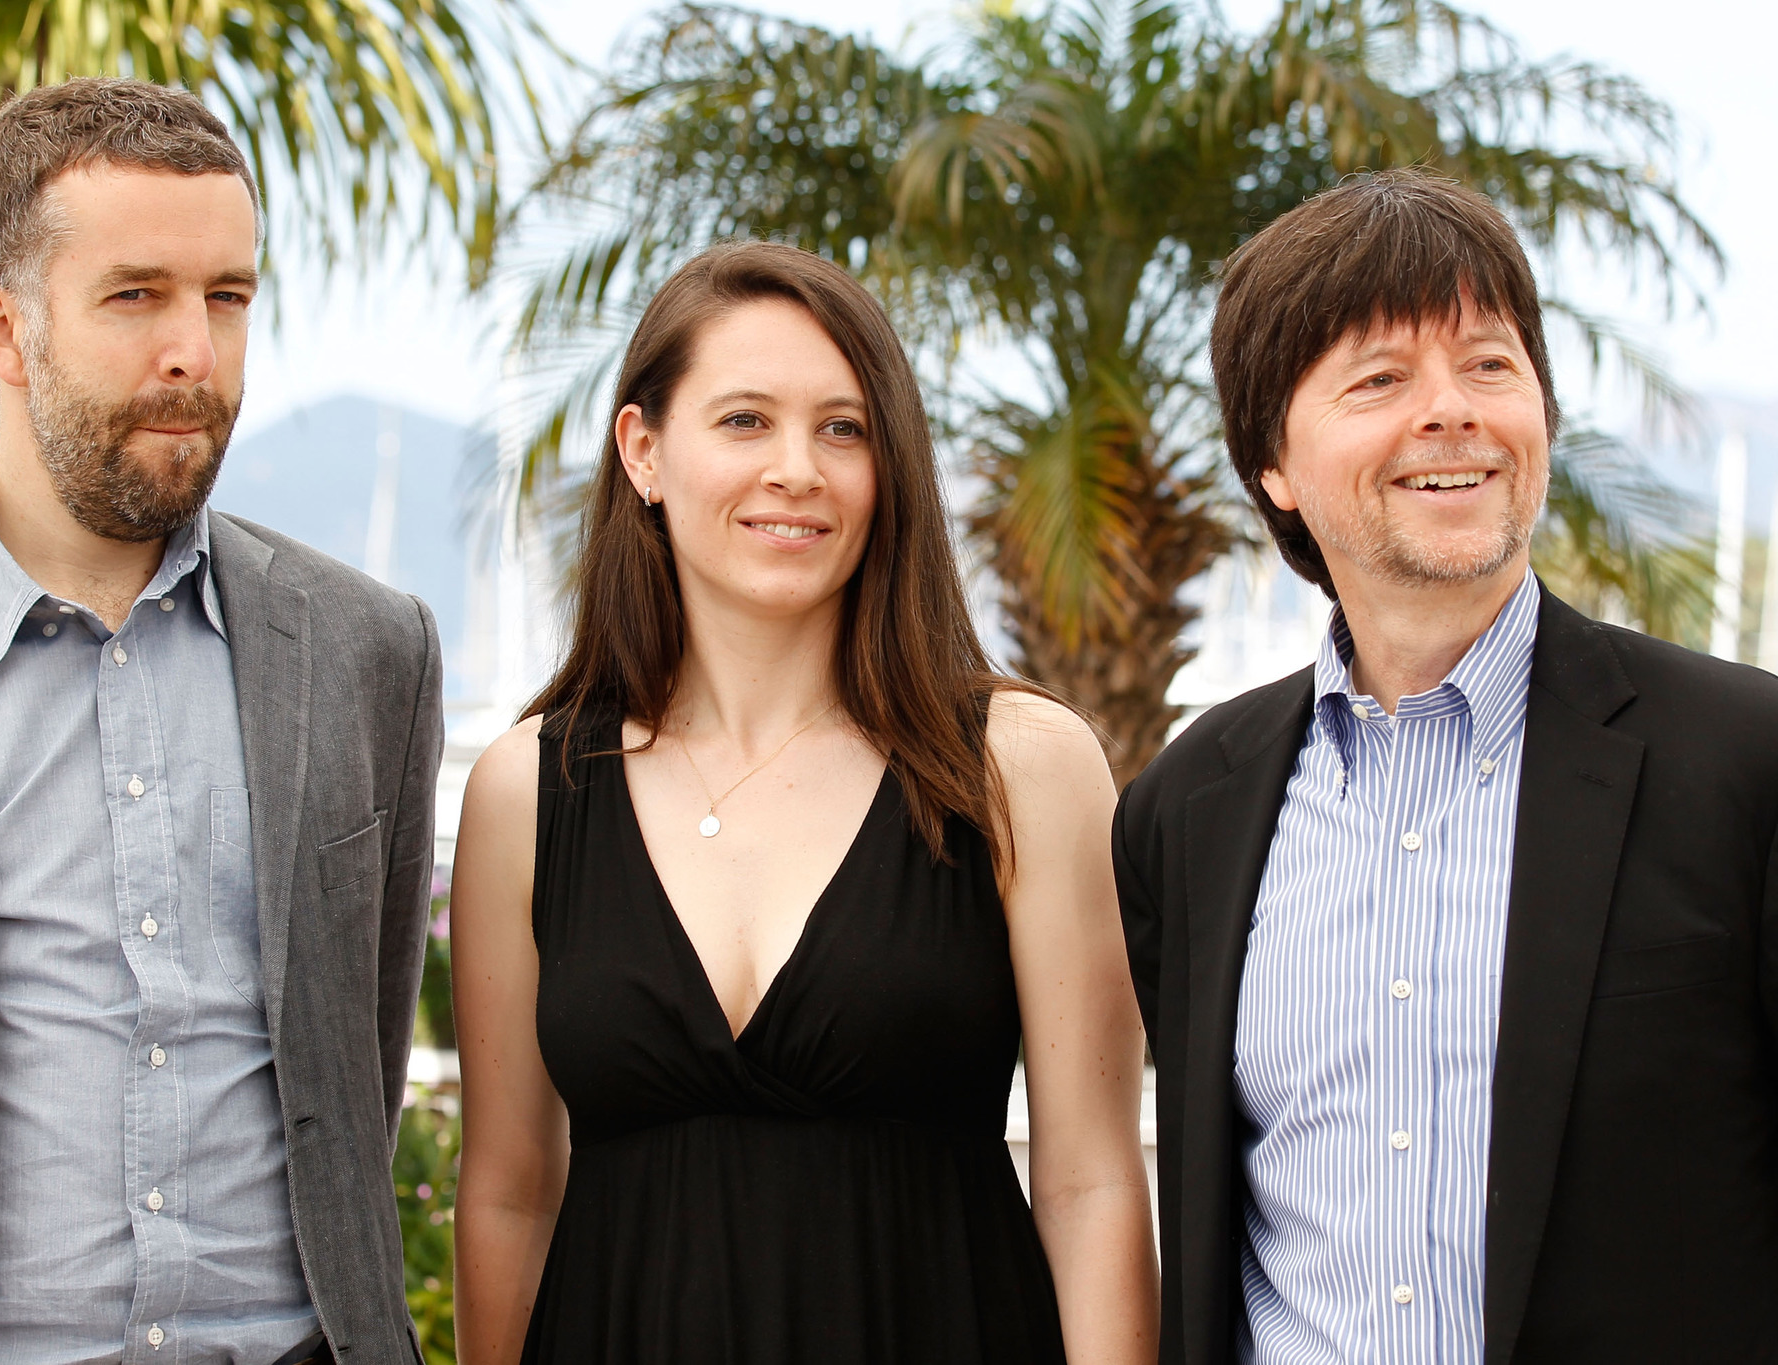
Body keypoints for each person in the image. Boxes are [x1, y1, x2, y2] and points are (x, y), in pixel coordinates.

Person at [0, 79, 444, 1364]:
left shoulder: (368, 650)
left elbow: (363, 1057)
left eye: (228, 297)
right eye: (137, 296)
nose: (197, 352)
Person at [449, 241, 1157, 1365]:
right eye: (743, 421)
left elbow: (1091, 1183)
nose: (798, 469)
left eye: (844, 428)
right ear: (643, 451)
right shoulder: (527, 791)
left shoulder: (1017, 766)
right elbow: (506, 1196)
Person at [1114, 167, 1778, 1365]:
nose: (1451, 411)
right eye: (1379, 379)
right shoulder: (1184, 808)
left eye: (1487, 363)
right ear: (1271, 464)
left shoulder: (1746, 763)